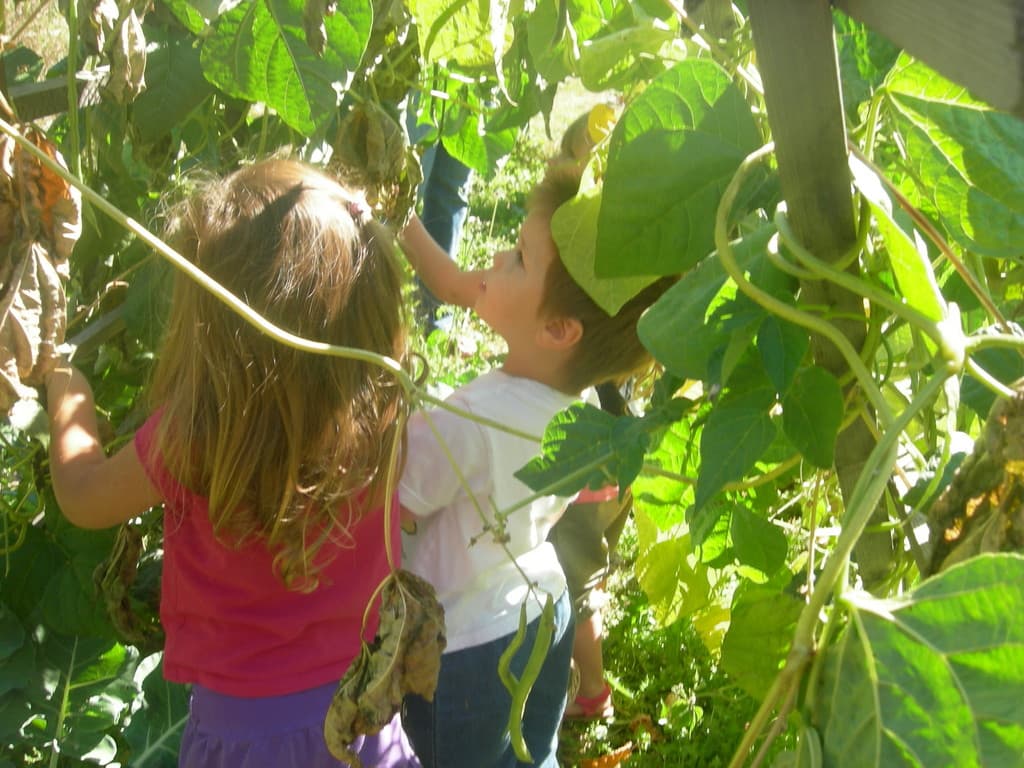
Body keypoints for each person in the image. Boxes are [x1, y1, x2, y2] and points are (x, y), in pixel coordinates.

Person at [44, 159, 420, 768]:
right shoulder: (383, 413)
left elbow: (84, 494)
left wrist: (69, 395)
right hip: (362, 720)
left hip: (248, 739)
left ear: (217, 329)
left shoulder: (198, 434)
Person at [396, 161, 675, 767]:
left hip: (462, 649)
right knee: (530, 756)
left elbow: (393, 497)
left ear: (557, 329)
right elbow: (455, 283)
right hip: (541, 610)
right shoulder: (579, 415)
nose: (497, 257)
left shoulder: (468, 421)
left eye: (519, 257)